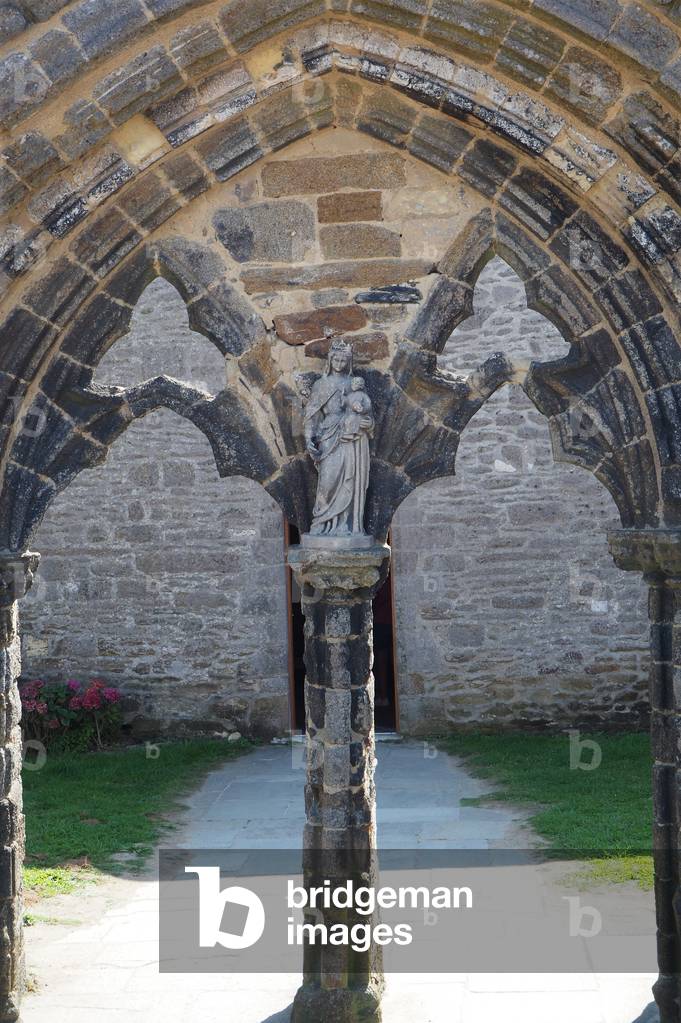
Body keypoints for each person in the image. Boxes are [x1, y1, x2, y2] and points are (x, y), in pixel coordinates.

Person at [303, 341, 374, 538]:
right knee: (328, 480)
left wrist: (369, 424)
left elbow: (366, 410)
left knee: (349, 479)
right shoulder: (321, 384)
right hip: (329, 434)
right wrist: (309, 438)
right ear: (330, 359)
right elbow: (312, 416)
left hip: (352, 438)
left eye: (344, 360)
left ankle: (345, 524)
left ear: (349, 362)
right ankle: (321, 523)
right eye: (337, 359)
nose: (340, 363)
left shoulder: (354, 384)